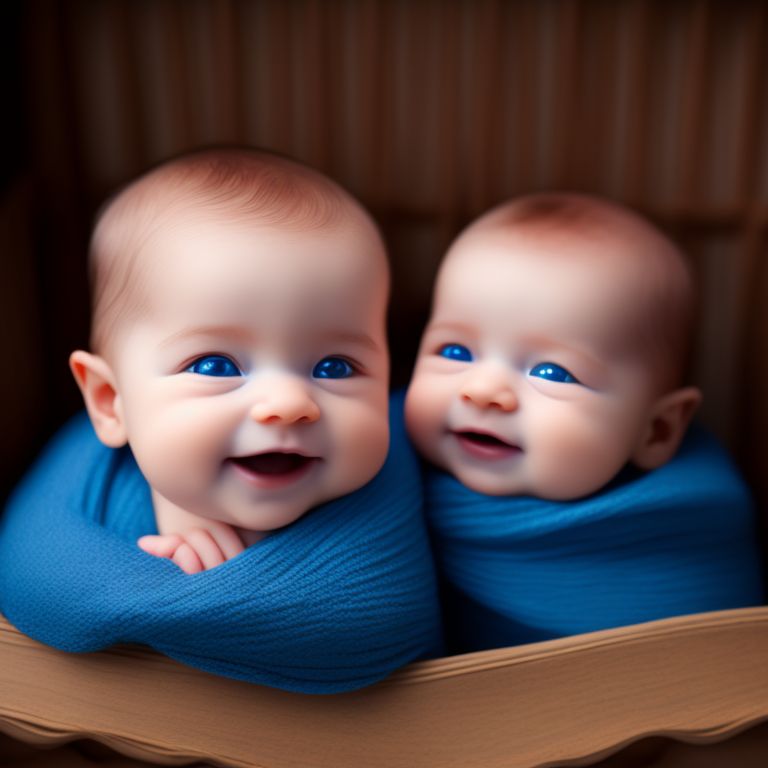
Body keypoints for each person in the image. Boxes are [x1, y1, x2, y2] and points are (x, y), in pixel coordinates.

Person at [405, 193, 763, 651]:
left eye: (551, 373)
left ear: (658, 430)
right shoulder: (380, 463)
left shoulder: (685, 522)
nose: (482, 390)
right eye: (455, 351)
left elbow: (721, 669)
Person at [71, 146, 391, 573]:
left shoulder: (394, 489)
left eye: (335, 366)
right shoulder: (89, 489)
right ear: (111, 400)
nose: (289, 404)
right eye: (214, 366)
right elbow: (31, 586)